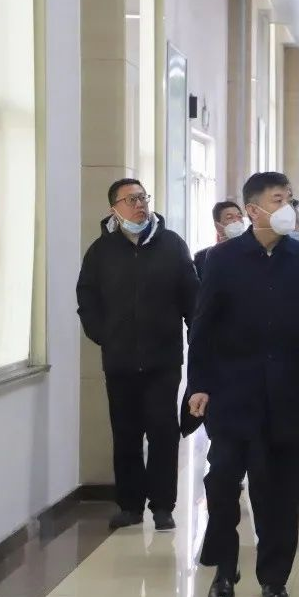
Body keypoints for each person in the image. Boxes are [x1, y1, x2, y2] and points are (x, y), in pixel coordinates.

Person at [187, 171, 299, 597]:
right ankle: (224, 569)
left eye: (290, 199)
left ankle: (274, 576)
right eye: (278, 199)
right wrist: (199, 384)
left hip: (290, 394)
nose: (288, 207)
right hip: (233, 393)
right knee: (222, 483)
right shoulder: (223, 259)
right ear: (253, 210)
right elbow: (203, 327)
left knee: (280, 492)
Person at [76, 179, 199, 531]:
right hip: (120, 361)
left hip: (163, 360)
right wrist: (104, 335)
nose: (139, 205)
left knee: (163, 432)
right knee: (126, 433)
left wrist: (197, 337)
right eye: (130, 200)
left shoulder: (171, 245)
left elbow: (192, 297)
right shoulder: (101, 251)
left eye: (143, 197)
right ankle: (130, 505)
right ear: (114, 209)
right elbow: (87, 299)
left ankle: (163, 506)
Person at [194, 201, 245, 280]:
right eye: (229, 217)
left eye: (239, 217)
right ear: (217, 225)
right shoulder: (203, 257)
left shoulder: (253, 252)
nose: (236, 221)